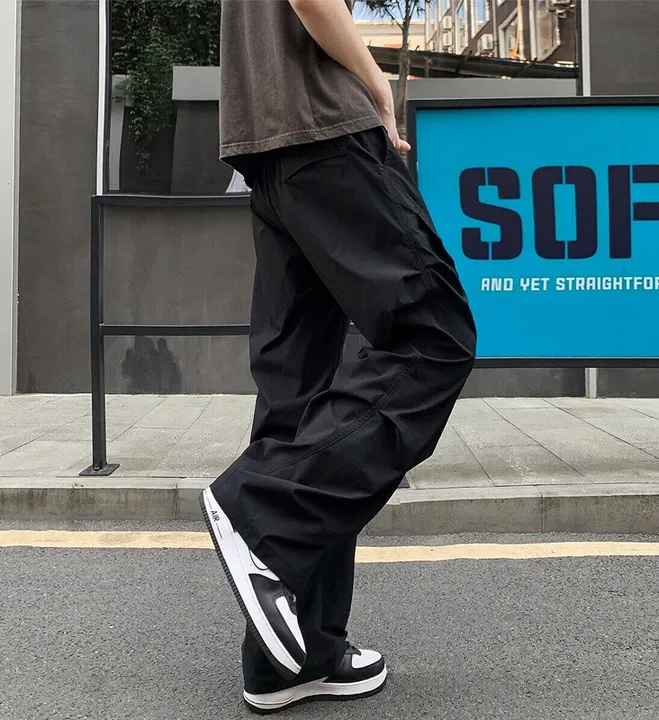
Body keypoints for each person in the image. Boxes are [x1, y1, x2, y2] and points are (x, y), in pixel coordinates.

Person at [201, 0, 477, 713]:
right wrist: (375, 81)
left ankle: (298, 656)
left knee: (298, 393)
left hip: (268, 144)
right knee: (434, 336)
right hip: (326, 125)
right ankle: (263, 509)